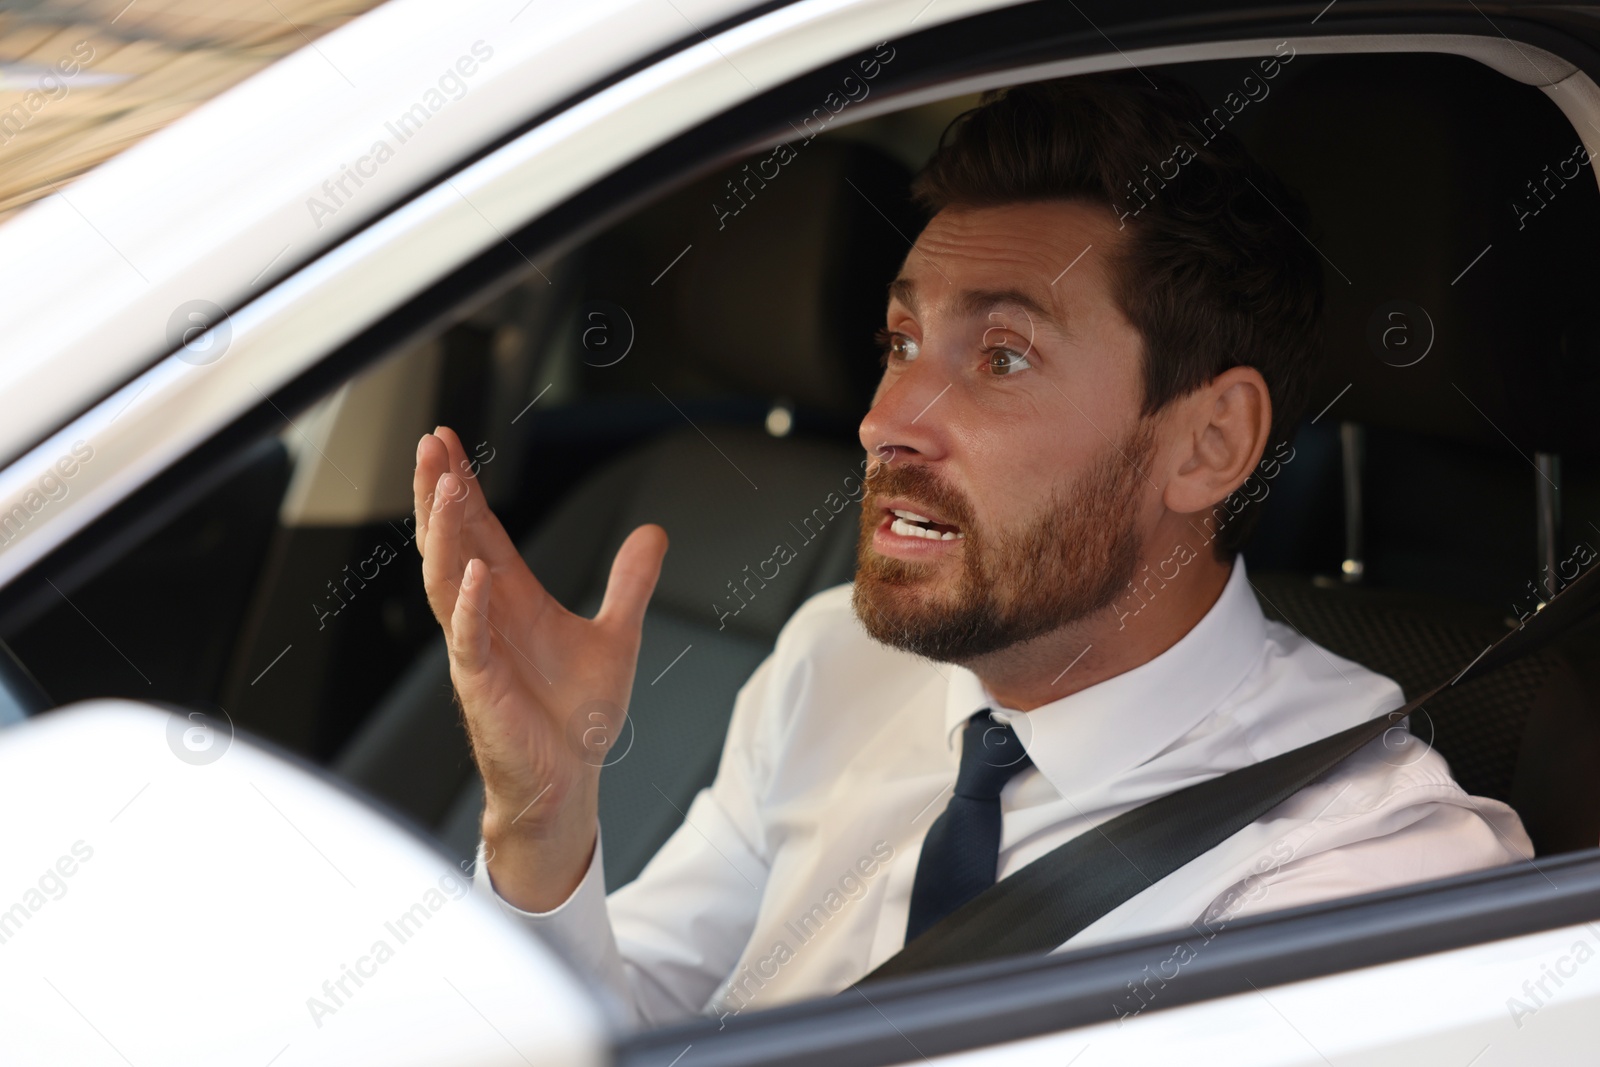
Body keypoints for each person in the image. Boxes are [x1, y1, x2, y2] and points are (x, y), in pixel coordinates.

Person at [410, 71, 1531, 1030]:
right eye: (901, 340)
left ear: (1208, 441)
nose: (888, 416)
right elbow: (634, 1019)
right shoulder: (831, 663)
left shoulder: (1365, 877)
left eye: (1001, 356)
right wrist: (544, 822)